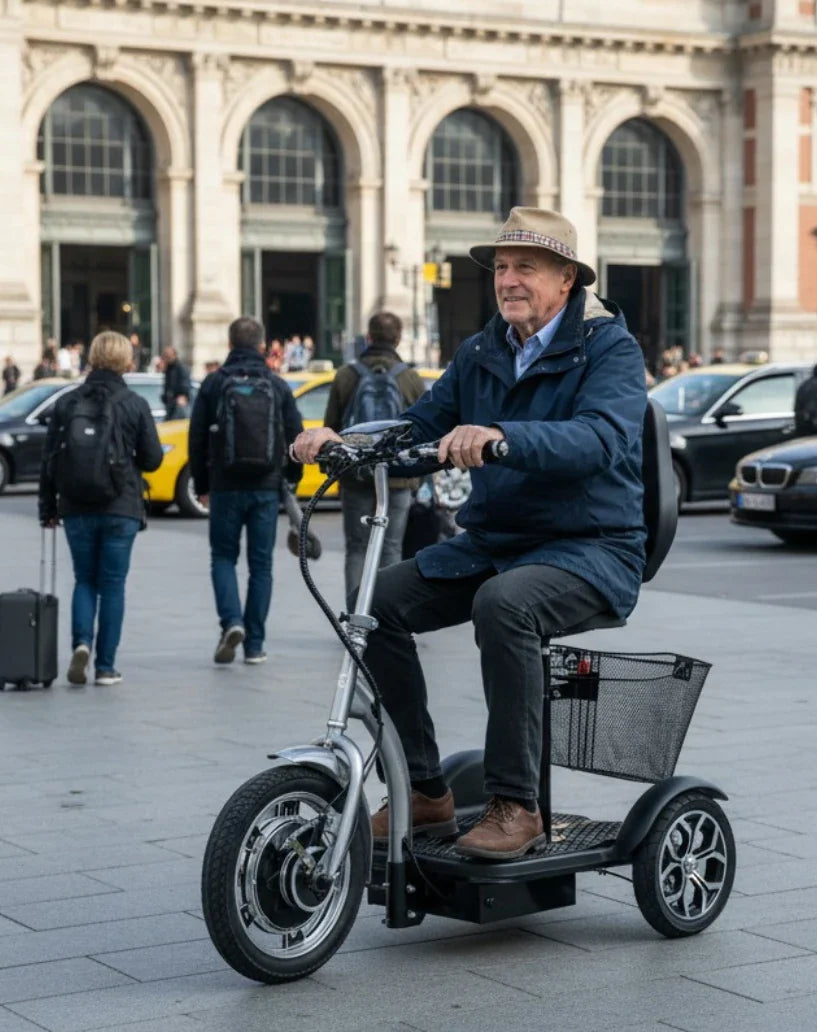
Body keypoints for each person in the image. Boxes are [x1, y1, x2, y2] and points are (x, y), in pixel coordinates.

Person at [292, 206, 646, 860]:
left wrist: (503, 438)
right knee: (373, 605)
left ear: (567, 278)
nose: (508, 280)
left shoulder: (610, 349)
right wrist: (346, 440)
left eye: (526, 268)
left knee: (504, 604)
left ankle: (517, 807)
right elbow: (419, 425)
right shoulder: (483, 352)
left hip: (592, 549)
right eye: (501, 268)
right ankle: (426, 792)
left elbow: (602, 438)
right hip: (495, 544)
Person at [38, 331, 163, 687]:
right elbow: (153, 459)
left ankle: (81, 644)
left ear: (91, 358)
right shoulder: (134, 403)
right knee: (112, 584)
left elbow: (50, 460)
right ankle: (106, 667)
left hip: (75, 504)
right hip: (121, 505)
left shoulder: (67, 402)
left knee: (84, 580)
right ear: (126, 361)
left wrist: (47, 507)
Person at [189, 317, 303, 665]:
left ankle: (231, 622)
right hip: (266, 487)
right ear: (262, 345)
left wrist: (203, 484)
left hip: (225, 485)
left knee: (223, 558)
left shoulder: (214, 383)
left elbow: (196, 438)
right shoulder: (277, 384)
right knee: (261, 565)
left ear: (230, 344)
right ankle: (255, 644)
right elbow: (295, 436)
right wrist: (291, 479)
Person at [322, 312, 427, 596]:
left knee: (357, 548)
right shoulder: (410, 378)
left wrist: (335, 470)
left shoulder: (346, 375)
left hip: (356, 476)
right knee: (391, 548)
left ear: (368, 337)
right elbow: (425, 430)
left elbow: (331, 429)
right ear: (399, 338)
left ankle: (353, 621)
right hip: (398, 477)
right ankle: (385, 622)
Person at [160, 345, 191, 420]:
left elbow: (185, 384)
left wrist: (182, 396)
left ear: (174, 355)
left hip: (178, 404)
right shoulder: (168, 369)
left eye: (168, 356)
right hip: (170, 404)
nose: (166, 358)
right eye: (165, 356)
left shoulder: (181, 368)